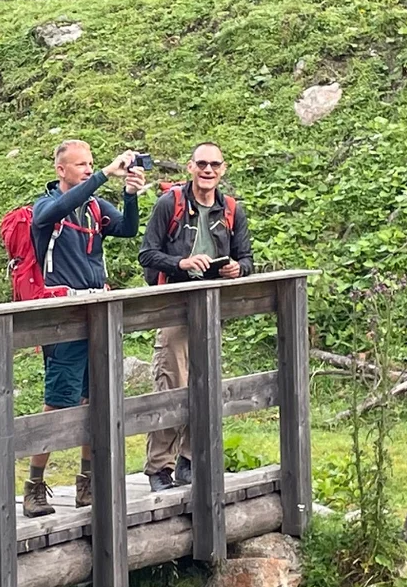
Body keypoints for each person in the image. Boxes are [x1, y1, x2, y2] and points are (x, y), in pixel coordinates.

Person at [23, 142, 146, 519]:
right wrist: (105, 174)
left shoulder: (93, 208)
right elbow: (59, 208)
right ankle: (34, 485)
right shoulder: (45, 207)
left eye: (90, 164)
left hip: (97, 310)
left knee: (94, 398)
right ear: (60, 169)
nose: (87, 169)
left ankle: (87, 482)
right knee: (58, 400)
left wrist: (129, 196)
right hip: (62, 314)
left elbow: (125, 229)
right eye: (80, 165)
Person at [137, 143, 255, 492]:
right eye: (201, 164)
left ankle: (190, 460)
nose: (207, 170)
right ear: (190, 167)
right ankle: (159, 468)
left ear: (223, 169)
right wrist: (181, 263)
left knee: (206, 386)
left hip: (212, 309)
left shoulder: (232, 210)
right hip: (173, 306)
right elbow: (147, 254)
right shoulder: (169, 204)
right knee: (172, 386)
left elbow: (247, 258)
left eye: (214, 164)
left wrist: (238, 268)